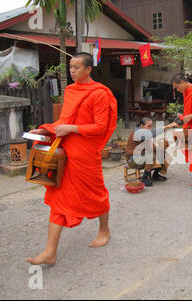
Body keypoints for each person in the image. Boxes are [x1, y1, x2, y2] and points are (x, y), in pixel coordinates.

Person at [27, 52, 117, 265]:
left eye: (77, 67)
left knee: (96, 194)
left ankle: (104, 229)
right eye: (71, 67)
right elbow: (64, 120)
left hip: (86, 154)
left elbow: (100, 127)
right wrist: (45, 130)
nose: (73, 71)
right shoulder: (70, 90)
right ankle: (50, 252)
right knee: (59, 198)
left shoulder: (99, 94)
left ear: (88, 69)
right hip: (66, 152)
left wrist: (72, 128)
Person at [125, 117, 178, 187]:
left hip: (142, 156)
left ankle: (155, 175)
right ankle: (145, 177)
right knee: (151, 156)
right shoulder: (137, 132)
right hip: (133, 160)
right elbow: (151, 133)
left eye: (151, 127)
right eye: (148, 126)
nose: (150, 128)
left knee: (161, 153)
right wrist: (168, 126)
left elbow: (151, 146)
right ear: (141, 126)